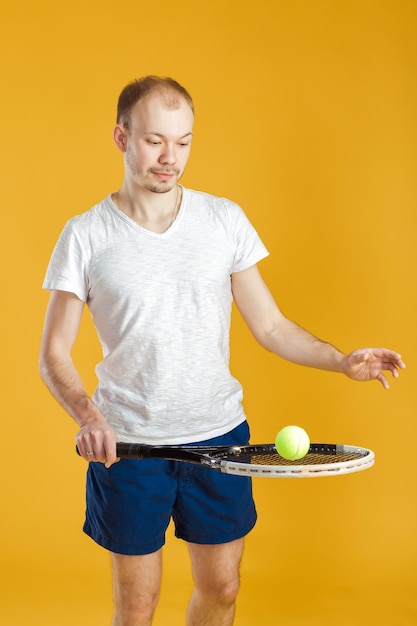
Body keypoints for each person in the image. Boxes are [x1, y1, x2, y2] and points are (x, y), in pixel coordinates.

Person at [39, 75, 405, 626]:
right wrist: (89, 416)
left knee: (223, 588)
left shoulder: (223, 221)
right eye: (155, 140)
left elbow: (273, 327)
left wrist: (341, 359)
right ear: (121, 137)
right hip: (131, 447)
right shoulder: (86, 235)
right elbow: (53, 354)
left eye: (183, 142)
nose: (170, 157)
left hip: (220, 438)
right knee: (137, 607)